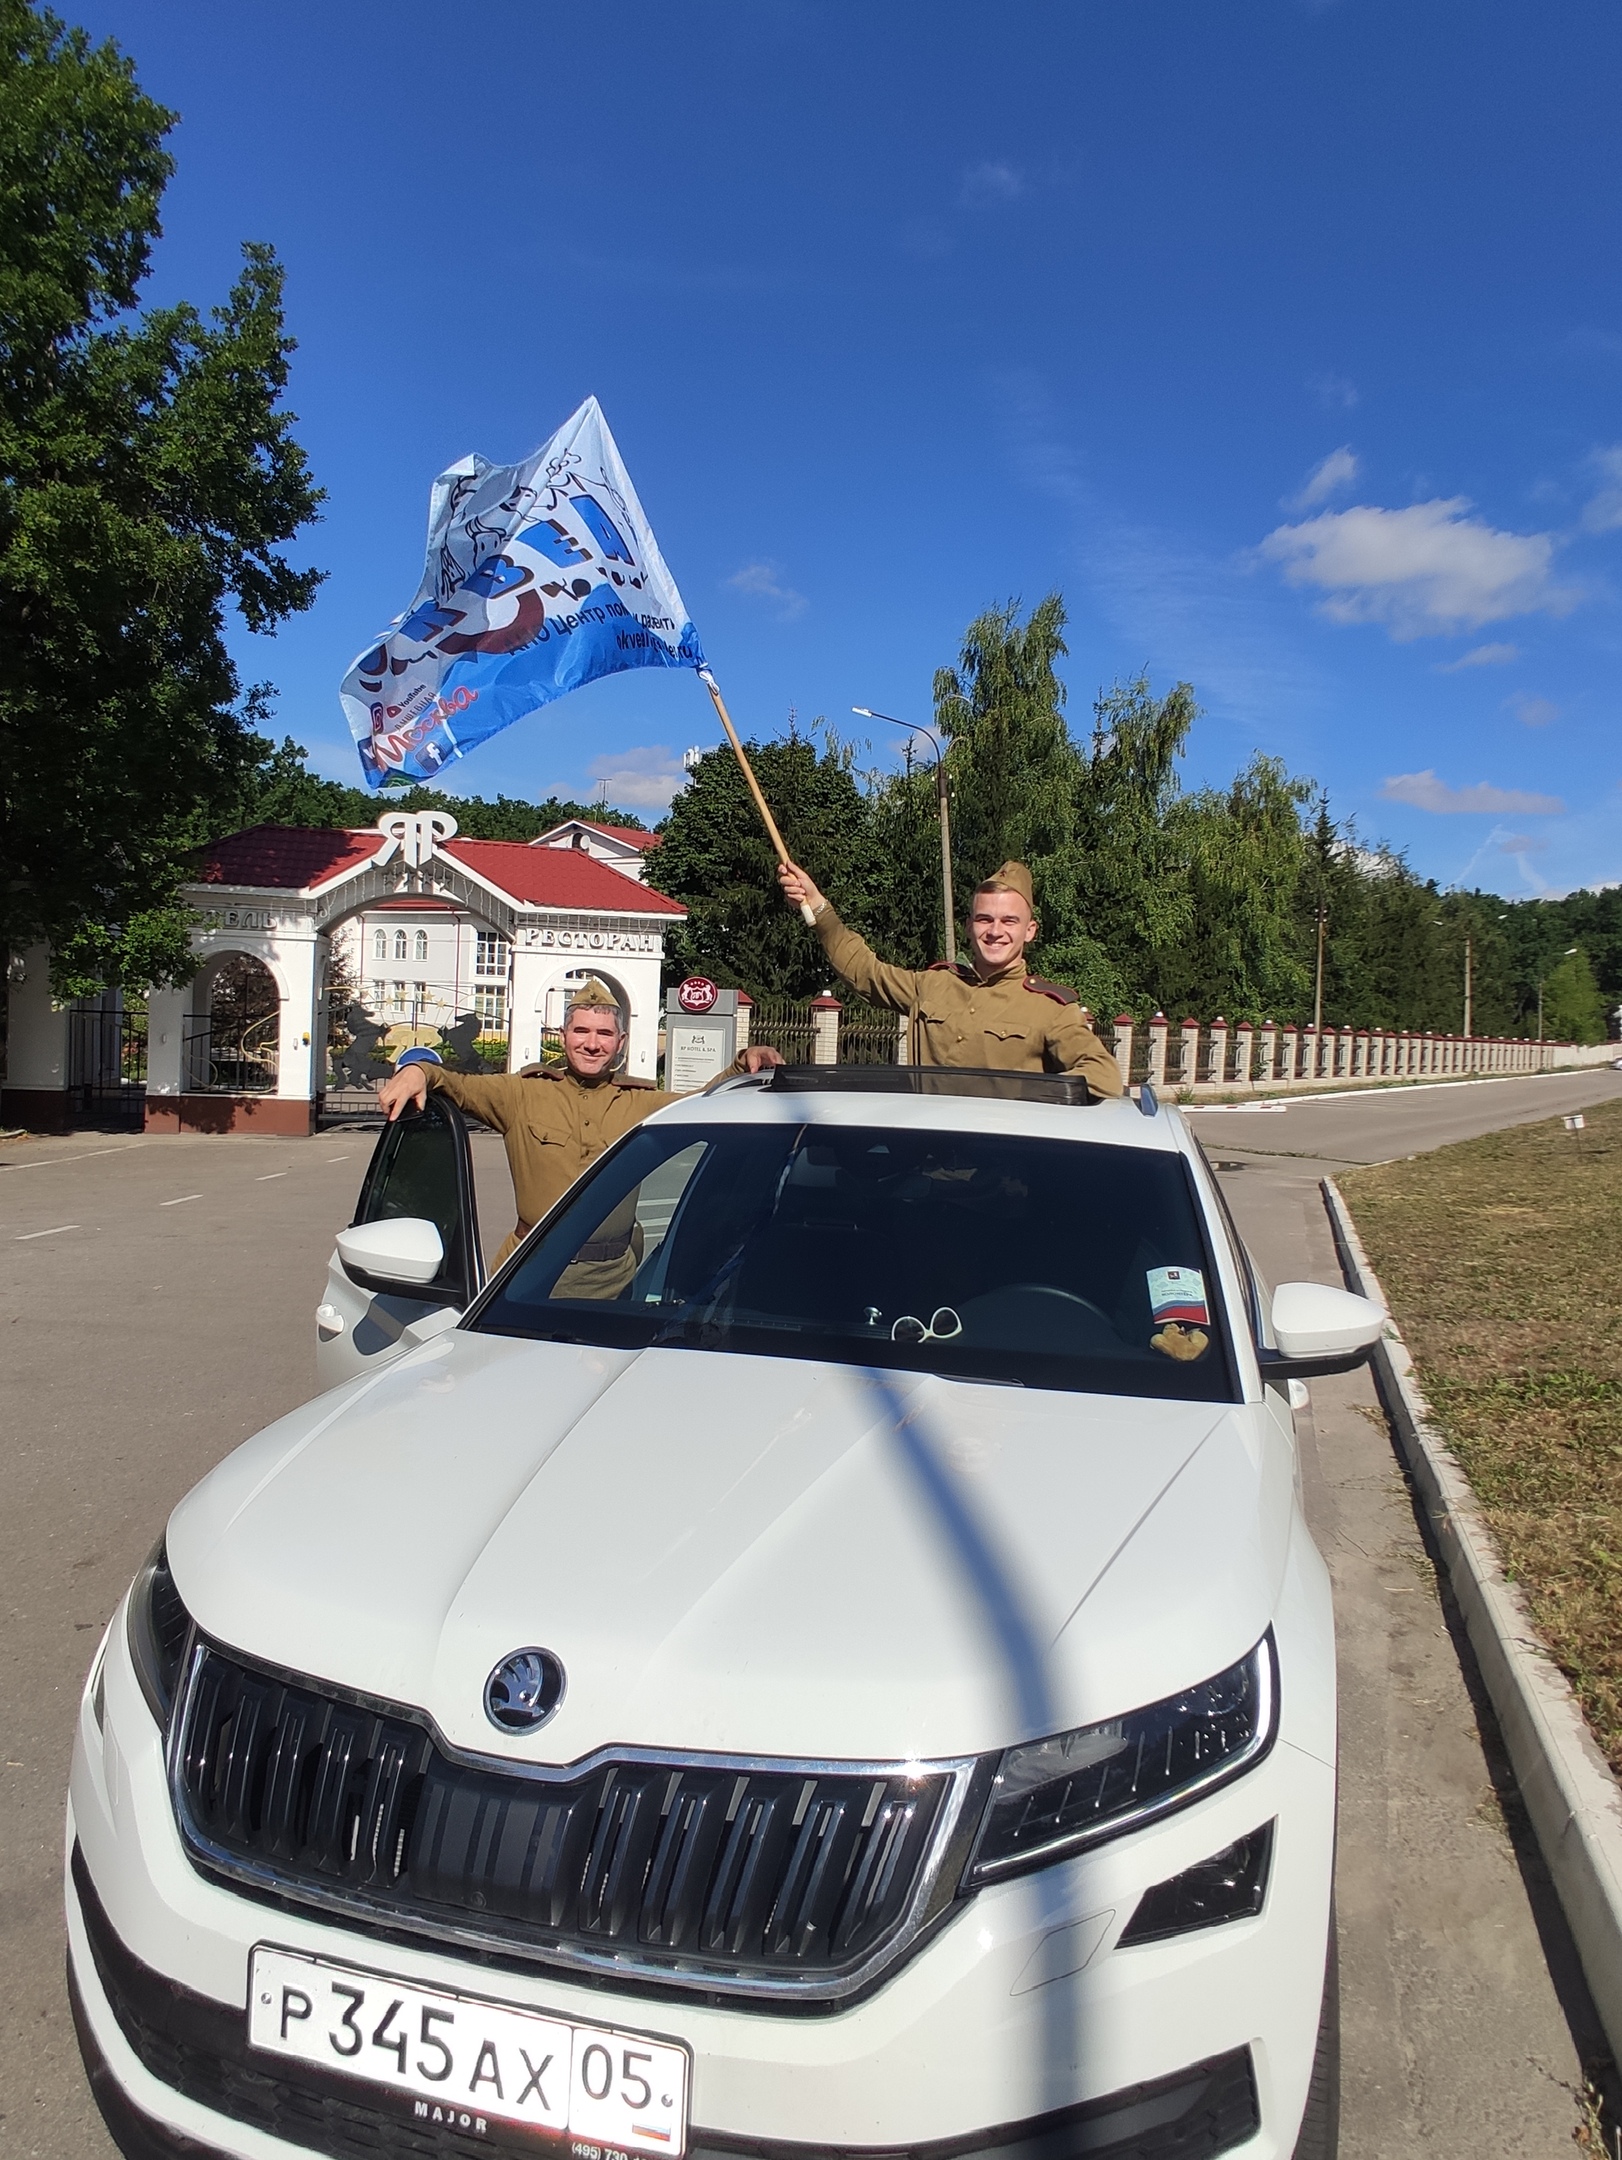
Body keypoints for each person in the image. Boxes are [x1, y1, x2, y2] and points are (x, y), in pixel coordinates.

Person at [375, 980, 783, 1264]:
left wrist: (741, 1065)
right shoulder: (521, 1093)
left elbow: (700, 1105)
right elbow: (456, 1085)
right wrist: (418, 1070)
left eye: (604, 1033)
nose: (592, 1043)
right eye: (581, 1030)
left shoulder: (639, 1102)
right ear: (562, 1034)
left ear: (620, 1043)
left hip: (613, 1279)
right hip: (527, 1269)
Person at [775, 856, 1125, 1096]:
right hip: (928, 1169)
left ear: (1029, 931)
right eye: (985, 919)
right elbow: (865, 973)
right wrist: (818, 906)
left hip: (1003, 1180)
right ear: (970, 926)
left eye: (1009, 922)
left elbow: (1103, 1077)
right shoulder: (934, 985)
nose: (995, 932)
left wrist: (1030, 1101)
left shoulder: (1051, 1009)